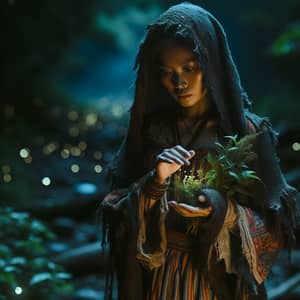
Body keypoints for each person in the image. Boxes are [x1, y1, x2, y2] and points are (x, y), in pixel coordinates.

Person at [101, 2, 298, 300]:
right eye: (168, 72)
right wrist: (154, 184)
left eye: (189, 68)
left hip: (219, 282)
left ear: (210, 65)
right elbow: (117, 211)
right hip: (161, 277)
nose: (179, 83)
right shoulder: (153, 133)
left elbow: (275, 227)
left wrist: (223, 210)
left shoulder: (246, 133)